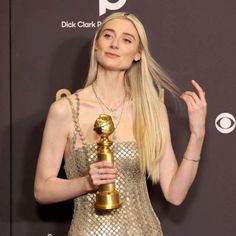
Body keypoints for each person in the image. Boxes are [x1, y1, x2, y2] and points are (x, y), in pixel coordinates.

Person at [34, 12, 207, 236]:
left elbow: (175, 194)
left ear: (137, 54)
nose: (115, 44)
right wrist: (86, 183)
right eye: (108, 35)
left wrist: (197, 134)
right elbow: (42, 190)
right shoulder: (64, 110)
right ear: (96, 44)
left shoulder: (151, 110)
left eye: (126, 39)